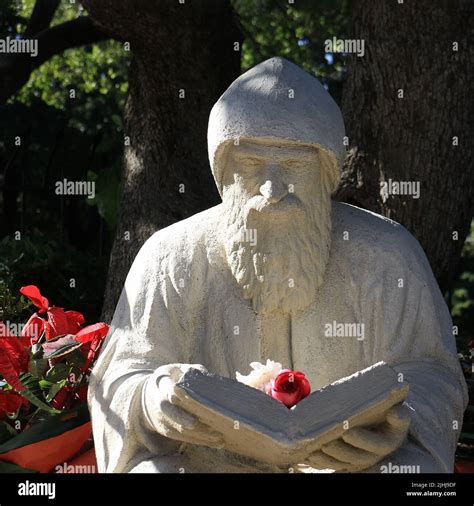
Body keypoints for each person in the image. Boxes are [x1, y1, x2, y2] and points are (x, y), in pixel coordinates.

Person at [89, 57, 467, 473]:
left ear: (326, 172)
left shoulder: (387, 254)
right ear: (224, 173)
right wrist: (150, 400)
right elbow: (120, 377)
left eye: (293, 167)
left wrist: (397, 423)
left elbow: (434, 375)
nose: (272, 190)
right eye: (251, 166)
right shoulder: (170, 256)